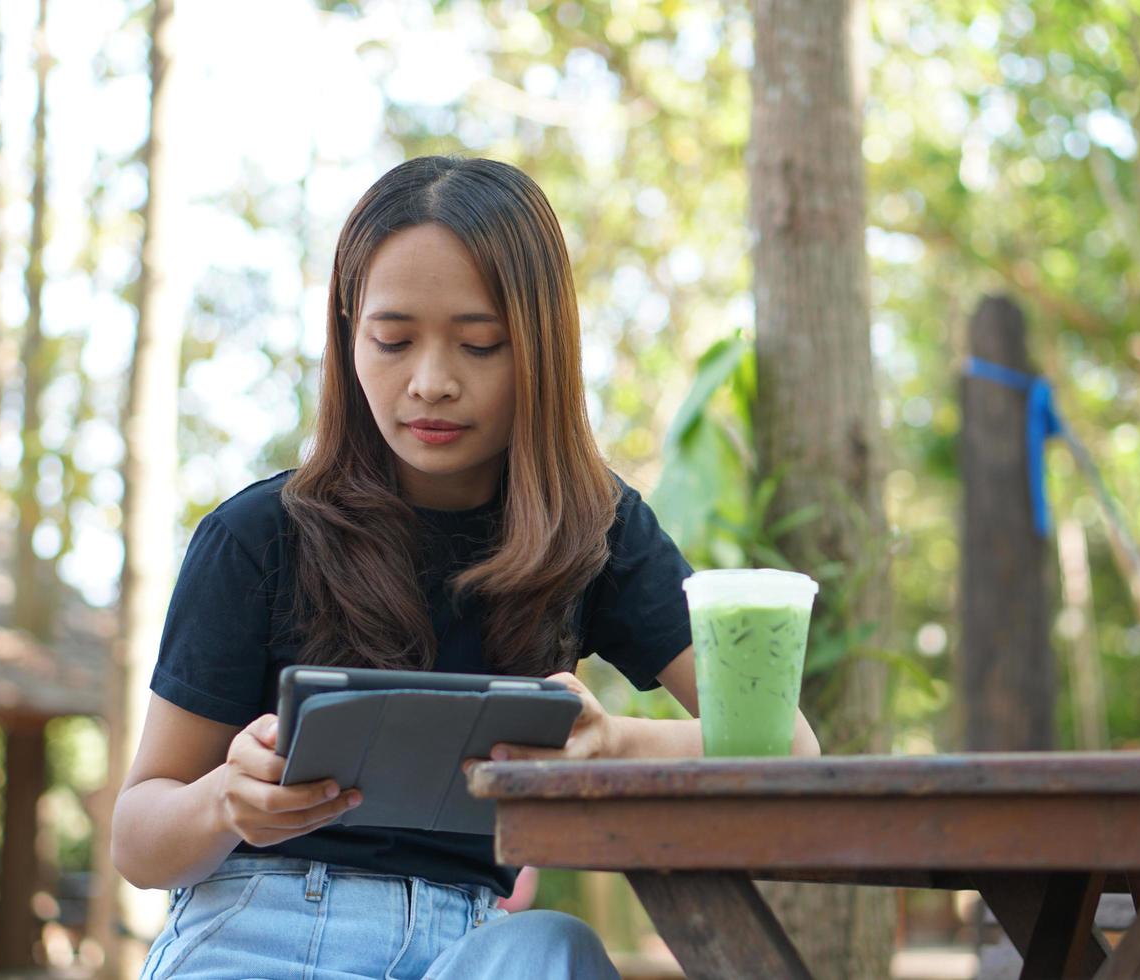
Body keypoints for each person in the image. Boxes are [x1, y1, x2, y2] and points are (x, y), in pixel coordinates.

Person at [112, 155, 821, 980]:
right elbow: (138, 836)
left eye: (481, 344)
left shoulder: (595, 528)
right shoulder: (260, 535)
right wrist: (221, 801)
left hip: (478, 951)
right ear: (348, 334)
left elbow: (789, 753)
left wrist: (610, 742)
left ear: (542, 347)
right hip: (259, 930)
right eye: (392, 339)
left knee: (558, 949)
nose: (432, 382)